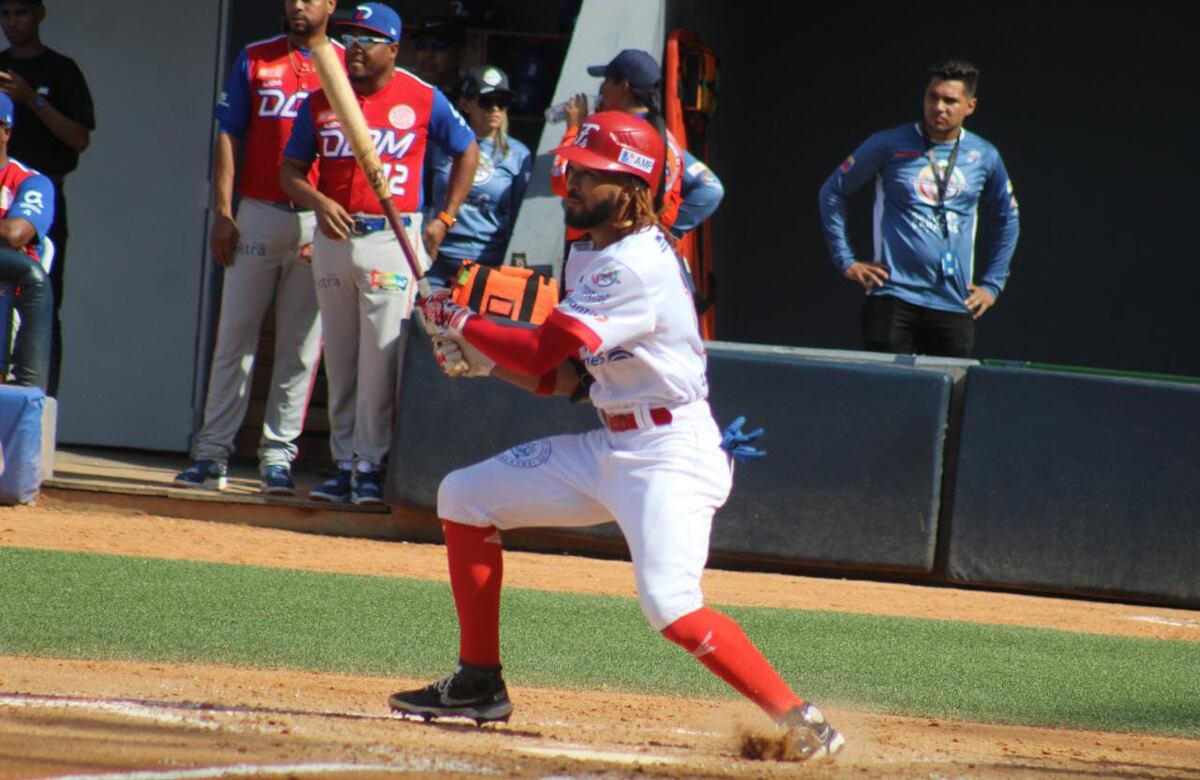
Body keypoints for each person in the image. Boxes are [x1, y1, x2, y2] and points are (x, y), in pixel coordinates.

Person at [390, 111, 845, 762]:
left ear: (629, 187)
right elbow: (573, 378)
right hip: (613, 443)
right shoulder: (590, 251)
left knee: (671, 605)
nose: (569, 181)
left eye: (588, 173)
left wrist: (460, 318)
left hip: (670, 456)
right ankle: (478, 682)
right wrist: (488, 364)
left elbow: (546, 348)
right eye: (572, 168)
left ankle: (804, 722)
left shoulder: (632, 264)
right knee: (463, 496)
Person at [280, 2, 478, 505]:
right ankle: (344, 463)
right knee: (341, 358)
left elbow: (467, 148)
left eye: (368, 39)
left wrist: (445, 218)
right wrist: (319, 202)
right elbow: (291, 172)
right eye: (349, 39)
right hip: (334, 235)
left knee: (381, 358)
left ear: (393, 48)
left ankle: (372, 463)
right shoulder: (323, 99)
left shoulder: (422, 96)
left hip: (392, 235)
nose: (355, 49)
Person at [173, 0, 340, 496]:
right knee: (234, 339)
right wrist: (223, 212)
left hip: (318, 218)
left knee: (301, 347)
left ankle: (278, 458)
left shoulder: (346, 61)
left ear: (331, 4)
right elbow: (229, 132)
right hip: (259, 211)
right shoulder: (256, 56)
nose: (298, 5)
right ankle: (211, 454)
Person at [818, 58, 1019, 358]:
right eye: (932, 97)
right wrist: (846, 260)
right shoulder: (888, 143)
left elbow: (1008, 218)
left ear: (970, 106)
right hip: (893, 295)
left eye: (950, 100)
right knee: (886, 395)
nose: (939, 107)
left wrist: (992, 284)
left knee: (951, 398)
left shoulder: (984, 155)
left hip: (953, 300)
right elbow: (832, 190)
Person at [0, 0, 94, 396]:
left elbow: (79, 138)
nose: (12, 22)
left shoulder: (61, 70)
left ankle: (39, 401)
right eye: (4, 15)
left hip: (35, 192)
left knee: (41, 300)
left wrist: (30, 99)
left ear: (39, 14)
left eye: (20, 13)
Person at [550, 49, 724, 253]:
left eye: (606, 81)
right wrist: (666, 233)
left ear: (623, 87)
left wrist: (574, 130)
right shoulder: (667, 139)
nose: (601, 89)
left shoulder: (617, 136)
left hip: (603, 252)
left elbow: (561, 180)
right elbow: (710, 187)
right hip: (639, 249)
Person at [425, 65, 531, 288]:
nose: (495, 109)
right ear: (465, 104)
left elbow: (520, 216)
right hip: (436, 258)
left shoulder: (519, 155)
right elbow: (421, 197)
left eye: (502, 103)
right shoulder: (438, 146)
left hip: (488, 264)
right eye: (486, 101)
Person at [0, 91, 52, 390]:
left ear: (6, 131)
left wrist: (6, 235)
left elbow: (14, 234)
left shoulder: (30, 181)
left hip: (11, 301)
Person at [410, 15, 464, 96]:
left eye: (439, 46)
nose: (428, 54)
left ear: (459, 53)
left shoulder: (473, 101)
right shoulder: (402, 97)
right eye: (421, 45)